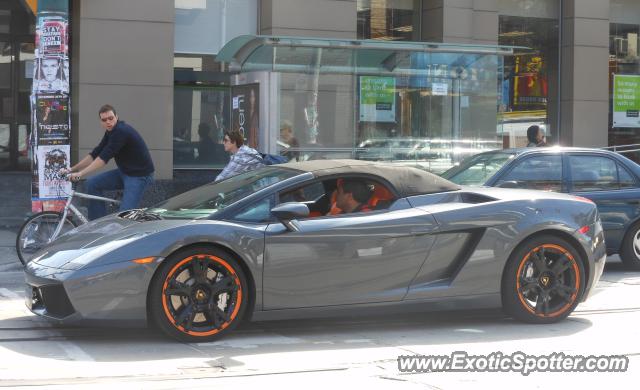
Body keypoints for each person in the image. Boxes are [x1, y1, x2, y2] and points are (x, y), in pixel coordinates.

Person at [61, 104, 155, 220]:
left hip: (139, 176)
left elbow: (103, 159)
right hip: (124, 172)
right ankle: (98, 224)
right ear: (101, 122)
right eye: (104, 120)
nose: (108, 122)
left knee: (124, 218)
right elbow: (96, 153)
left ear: (117, 117)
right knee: (92, 184)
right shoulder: (110, 132)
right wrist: (71, 169)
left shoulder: (121, 131)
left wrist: (80, 174)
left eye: (111, 118)